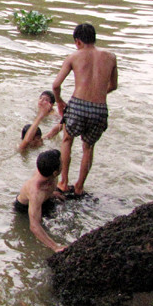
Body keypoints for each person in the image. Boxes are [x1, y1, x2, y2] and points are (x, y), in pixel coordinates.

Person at [52, 23, 118, 195]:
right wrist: (98, 94)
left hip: (78, 105)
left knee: (67, 140)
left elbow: (56, 85)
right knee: (88, 147)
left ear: (78, 41)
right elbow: (113, 86)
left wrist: (59, 101)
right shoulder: (111, 57)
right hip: (99, 109)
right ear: (94, 39)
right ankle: (80, 187)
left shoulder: (74, 56)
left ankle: (63, 182)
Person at [14, 149, 67, 253]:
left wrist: (52, 194)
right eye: (61, 162)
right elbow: (34, 226)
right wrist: (55, 247)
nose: (63, 163)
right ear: (55, 172)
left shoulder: (47, 169)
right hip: (25, 208)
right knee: (39, 229)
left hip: (46, 199)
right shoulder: (36, 192)